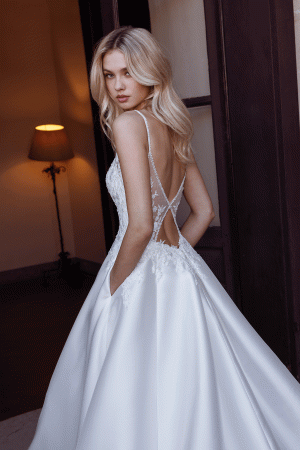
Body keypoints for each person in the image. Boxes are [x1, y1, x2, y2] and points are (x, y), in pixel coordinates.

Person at [28, 27, 300, 450]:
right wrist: (173, 258)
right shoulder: (173, 125)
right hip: (180, 267)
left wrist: (115, 286)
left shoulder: (128, 125)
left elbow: (139, 224)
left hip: (135, 264)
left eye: (128, 73)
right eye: (110, 75)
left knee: (129, 382)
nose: (118, 86)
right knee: (191, 380)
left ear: (151, 73)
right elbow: (204, 211)